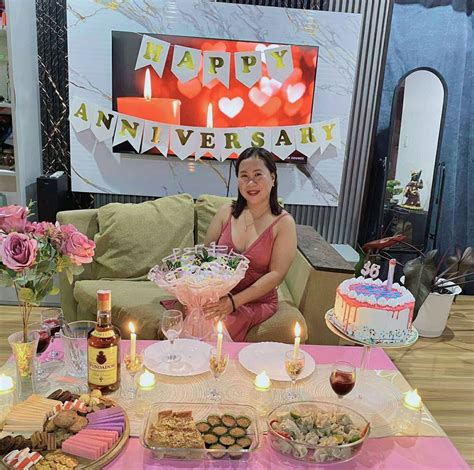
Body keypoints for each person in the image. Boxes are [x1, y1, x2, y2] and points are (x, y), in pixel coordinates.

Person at [203, 147, 297, 341]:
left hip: (254, 301)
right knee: (190, 314)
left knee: (217, 327)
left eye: (258, 175)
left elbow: (276, 275)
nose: (251, 183)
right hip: (218, 295)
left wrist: (233, 302)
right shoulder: (226, 212)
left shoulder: (284, 223)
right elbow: (205, 256)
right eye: (244, 176)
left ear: (273, 178)